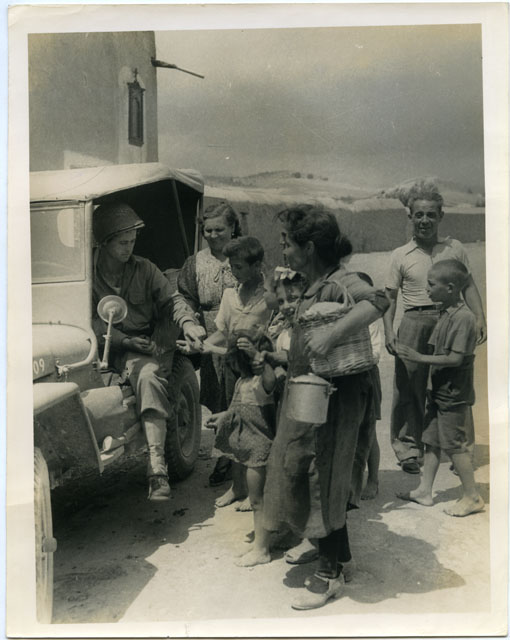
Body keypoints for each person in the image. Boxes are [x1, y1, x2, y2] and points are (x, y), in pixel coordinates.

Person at [263, 206, 389, 610]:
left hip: (335, 397)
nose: (283, 251)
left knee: (325, 477)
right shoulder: (315, 284)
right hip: (312, 394)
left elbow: (379, 300)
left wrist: (332, 334)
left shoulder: (340, 280)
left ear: (310, 247)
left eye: (287, 243)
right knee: (309, 471)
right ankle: (338, 555)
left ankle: (329, 575)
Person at [92, 202, 205, 501]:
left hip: (138, 347)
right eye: (122, 243)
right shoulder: (85, 276)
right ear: (104, 243)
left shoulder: (144, 268)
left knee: (149, 377)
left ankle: (156, 468)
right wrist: (120, 340)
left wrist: (188, 324)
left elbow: (172, 300)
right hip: (94, 349)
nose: (129, 248)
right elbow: (83, 318)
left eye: (132, 241)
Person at [384, 180, 486, 474]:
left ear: (441, 216)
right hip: (414, 323)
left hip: (451, 320)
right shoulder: (399, 255)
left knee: (454, 385)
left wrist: (479, 317)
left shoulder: (455, 249)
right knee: (409, 386)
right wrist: (389, 331)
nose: (425, 220)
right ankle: (409, 449)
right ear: (410, 217)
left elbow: (468, 285)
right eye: (419, 214)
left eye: (431, 214)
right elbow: (390, 298)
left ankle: (460, 450)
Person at [179, 236, 273, 509]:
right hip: (234, 370)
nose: (233, 272)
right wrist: (200, 346)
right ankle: (238, 486)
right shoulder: (230, 295)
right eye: (231, 266)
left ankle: (261, 490)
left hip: (263, 370)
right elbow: (222, 332)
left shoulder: (269, 296)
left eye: (239, 267)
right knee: (235, 425)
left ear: (257, 265)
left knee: (262, 428)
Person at [396, 259, 484, 517]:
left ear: (451, 288)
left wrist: (418, 357)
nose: (427, 289)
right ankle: (425, 491)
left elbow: (455, 359)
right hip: (439, 390)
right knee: (432, 440)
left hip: (453, 393)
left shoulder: (464, 318)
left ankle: (472, 496)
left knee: (454, 444)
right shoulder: (446, 313)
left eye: (431, 284)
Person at [178, 201, 241, 487]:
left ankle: (241, 456)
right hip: (209, 337)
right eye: (208, 230)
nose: (213, 236)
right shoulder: (195, 263)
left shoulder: (245, 254)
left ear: (233, 228)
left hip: (240, 333)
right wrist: (192, 323)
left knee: (241, 395)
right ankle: (225, 454)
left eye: (219, 230)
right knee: (217, 397)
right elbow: (185, 297)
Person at [206, 330, 276, 567]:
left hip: (260, 450)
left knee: (258, 501)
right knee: (257, 499)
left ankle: (262, 550)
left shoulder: (262, 382)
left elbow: (270, 378)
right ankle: (262, 541)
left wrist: (257, 354)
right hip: (248, 447)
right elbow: (238, 408)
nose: (232, 365)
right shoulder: (242, 381)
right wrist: (223, 416)